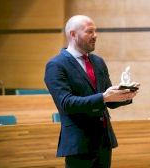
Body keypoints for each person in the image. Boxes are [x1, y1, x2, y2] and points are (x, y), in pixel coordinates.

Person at [44, 15, 139, 168]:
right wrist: (104, 97)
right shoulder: (56, 65)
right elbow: (66, 103)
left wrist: (125, 95)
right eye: (89, 32)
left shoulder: (98, 61)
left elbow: (109, 100)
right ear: (73, 34)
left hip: (103, 141)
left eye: (95, 31)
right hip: (79, 143)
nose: (95, 36)